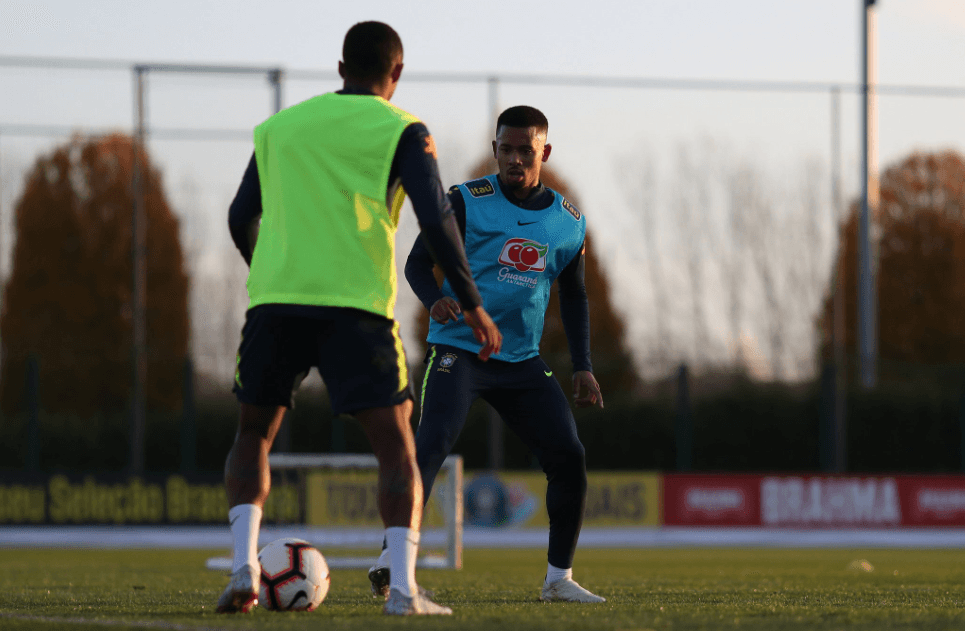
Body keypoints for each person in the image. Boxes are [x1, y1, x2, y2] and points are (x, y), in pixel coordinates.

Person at [220, 21, 501, 616]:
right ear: (395, 74)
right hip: (356, 311)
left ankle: (243, 568)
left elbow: (240, 214)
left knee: (252, 435)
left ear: (341, 67)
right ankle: (402, 589)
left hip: (276, 305)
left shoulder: (279, 128)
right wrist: (473, 303)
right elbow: (436, 218)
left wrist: (268, 272)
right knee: (397, 447)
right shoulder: (402, 129)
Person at [368, 105, 606, 603]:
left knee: (569, 458)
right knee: (429, 446)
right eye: (506, 149)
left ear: (544, 151)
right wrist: (438, 303)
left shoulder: (568, 223)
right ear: (494, 149)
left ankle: (557, 579)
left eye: (526, 150)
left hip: (521, 361)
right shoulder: (465, 201)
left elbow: (576, 295)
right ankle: (393, 561)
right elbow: (416, 266)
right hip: (461, 350)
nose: (515, 159)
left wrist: (583, 365)